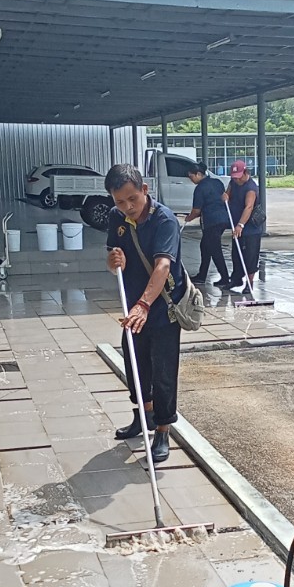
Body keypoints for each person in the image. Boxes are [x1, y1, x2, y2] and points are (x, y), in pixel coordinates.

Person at [105, 163, 186, 464]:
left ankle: (163, 430)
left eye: (132, 199)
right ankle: (144, 415)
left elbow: (163, 266)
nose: (127, 207)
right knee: (135, 365)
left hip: (162, 307)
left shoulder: (165, 220)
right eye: (120, 201)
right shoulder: (116, 218)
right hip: (134, 307)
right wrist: (113, 261)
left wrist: (144, 305)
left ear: (145, 190)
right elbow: (112, 259)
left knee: (163, 371)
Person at [186, 160, 231, 288]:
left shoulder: (200, 189)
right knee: (205, 246)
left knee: (214, 249)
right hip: (223, 219)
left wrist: (189, 218)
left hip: (211, 222)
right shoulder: (217, 182)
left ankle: (225, 278)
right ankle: (202, 275)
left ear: (198, 174)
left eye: (191, 176)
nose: (191, 180)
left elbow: (196, 210)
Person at [223, 158, 263, 293]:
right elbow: (227, 193)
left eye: (239, 177)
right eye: (234, 177)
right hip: (236, 226)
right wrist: (225, 196)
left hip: (250, 228)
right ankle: (236, 279)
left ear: (245, 173)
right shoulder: (233, 183)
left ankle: (249, 283)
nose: (237, 180)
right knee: (236, 254)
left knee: (250, 257)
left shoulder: (251, 188)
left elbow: (248, 207)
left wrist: (240, 225)